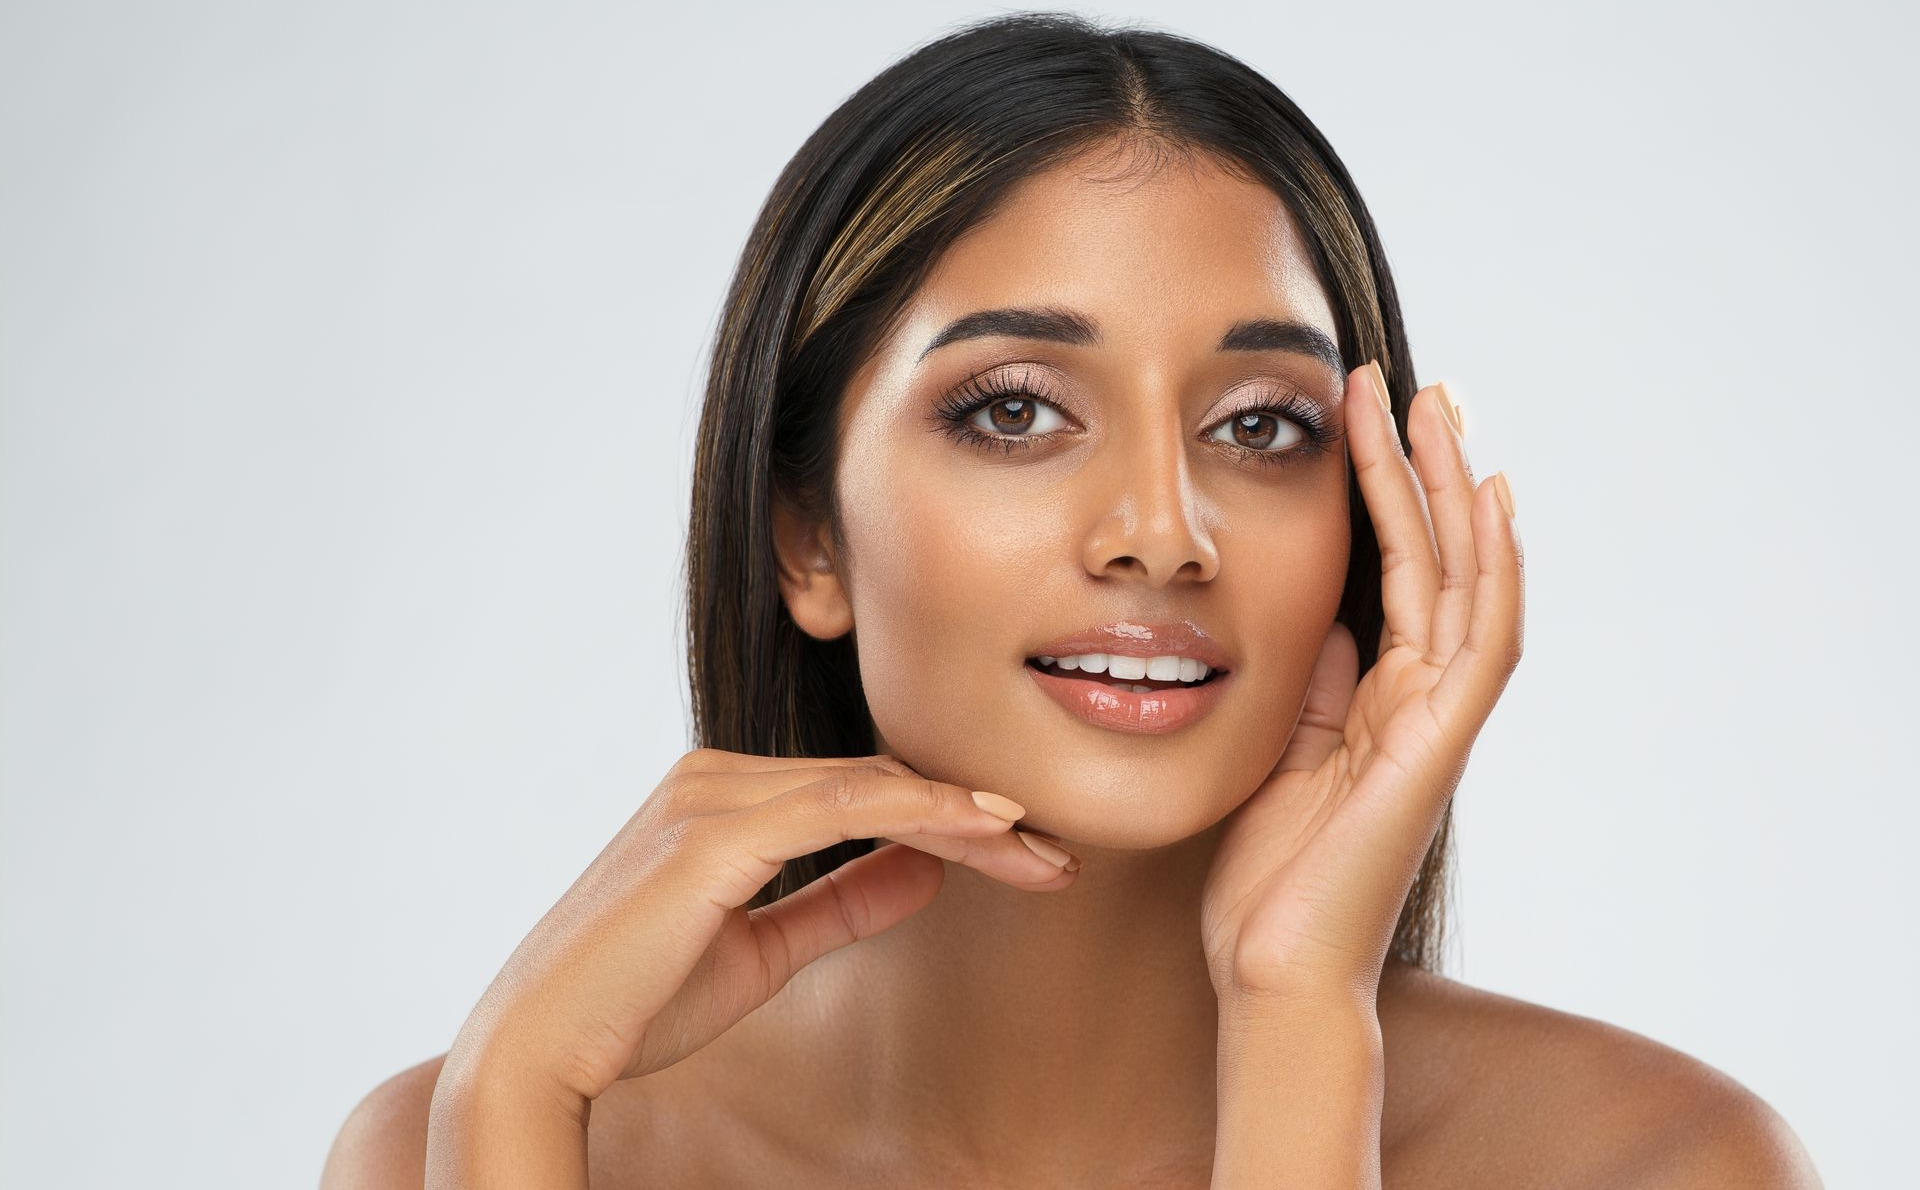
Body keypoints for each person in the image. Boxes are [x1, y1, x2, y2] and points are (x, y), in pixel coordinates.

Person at [323, 13, 1822, 1187]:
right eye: (1018, 409)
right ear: (807, 537)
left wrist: (1300, 1026)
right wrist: (511, 1107)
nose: (1162, 534)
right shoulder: (474, 1143)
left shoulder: (1664, 1168)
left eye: (1260, 426)